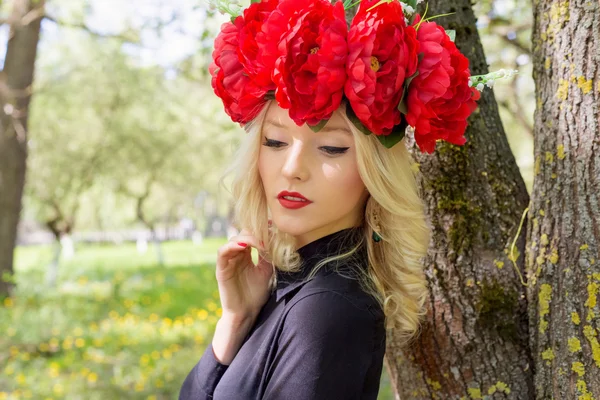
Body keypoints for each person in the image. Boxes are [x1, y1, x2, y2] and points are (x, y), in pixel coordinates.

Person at [180, 0, 481, 398]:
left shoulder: (327, 312)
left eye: (332, 149)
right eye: (274, 141)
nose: (292, 168)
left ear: (375, 173)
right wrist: (237, 320)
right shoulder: (295, 292)